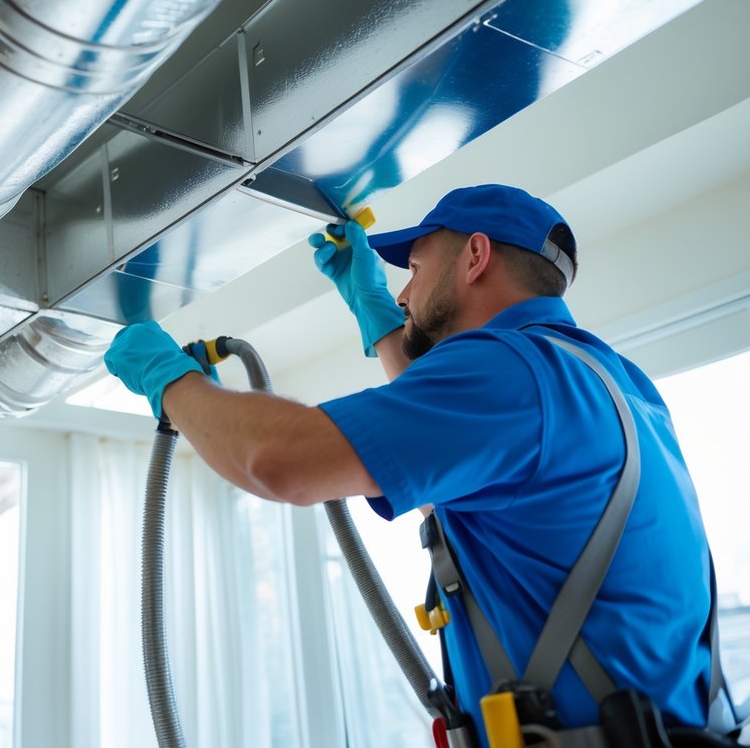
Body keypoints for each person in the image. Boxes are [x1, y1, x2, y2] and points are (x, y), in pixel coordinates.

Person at [104, 183, 741, 743]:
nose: (404, 291)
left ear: (476, 256)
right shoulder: (605, 379)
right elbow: (456, 435)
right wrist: (375, 311)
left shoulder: (511, 375)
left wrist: (171, 381)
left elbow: (278, 461)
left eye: (413, 266)